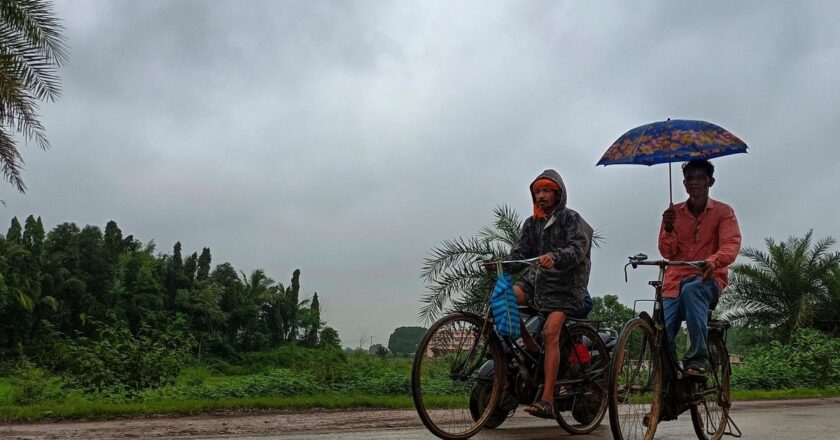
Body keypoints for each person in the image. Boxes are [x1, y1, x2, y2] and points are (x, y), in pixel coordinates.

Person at [507, 169, 593, 419]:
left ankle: (547, 399)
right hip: (537, 283)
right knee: (505, 299)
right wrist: (499, 262)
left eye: (545, 191)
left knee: (551, 332)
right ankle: (530, 346)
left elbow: (578, 248)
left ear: (558, 194)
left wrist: (555, 257)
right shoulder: (531, 224)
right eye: (537, 192)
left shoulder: (571, 219)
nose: (541, 196)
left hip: (566, 287)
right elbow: (519, 255)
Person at [659, 159, 741, 376]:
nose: (694, 182)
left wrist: (713, 261)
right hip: (674, 281)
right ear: (684, 184)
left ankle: (697, 358)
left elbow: (731, 244)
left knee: (692, 289)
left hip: (707, 278)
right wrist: (668, 228)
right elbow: (667, 252)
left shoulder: (723, 212)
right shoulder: (673, 213)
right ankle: (665, 389)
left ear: (710, 181)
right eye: (689, 178)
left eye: (699, 178)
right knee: (661, 331)